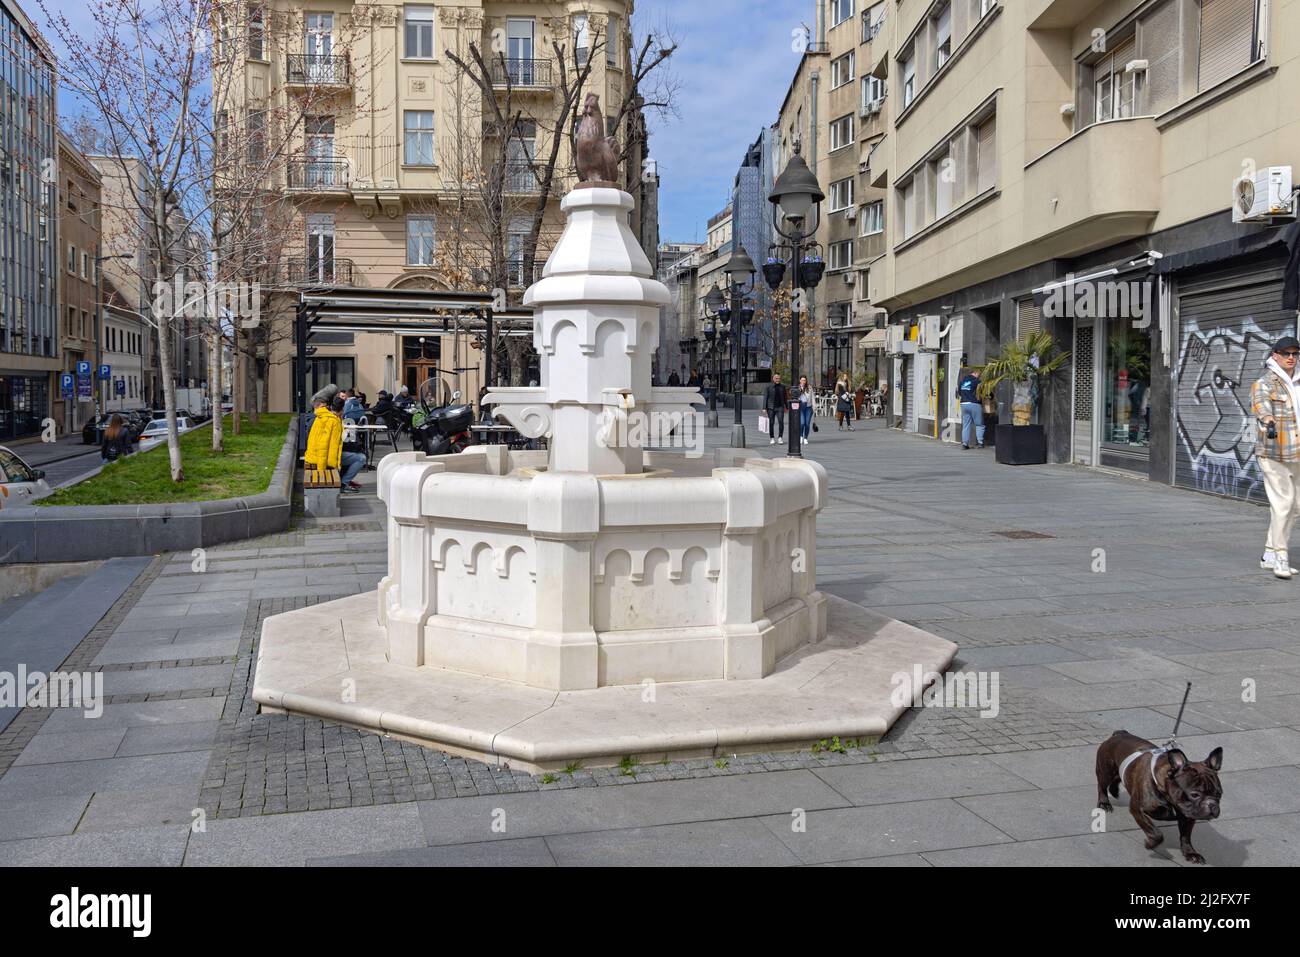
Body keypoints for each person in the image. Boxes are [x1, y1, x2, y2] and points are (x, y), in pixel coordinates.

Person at [1252, 335, 1300, 579]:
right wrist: (1268, 420)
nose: (1291, 358)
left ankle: (1269, 554)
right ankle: (1281, 557)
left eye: (1295, 354)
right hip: (1273, 452)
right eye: (1286, 353)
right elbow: (1261, 405)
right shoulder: (1265, 383)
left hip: (1297, 452)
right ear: (1275, 356)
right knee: (1283, 504)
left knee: (1295, 506)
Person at [956, 366, 986, 450]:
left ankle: (965, 444)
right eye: (979, 374)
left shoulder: (963, 381)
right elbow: (983, 391)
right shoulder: (977, 381)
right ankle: (980, 443)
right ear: (976, 373)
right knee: (979, 424)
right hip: (974, 404)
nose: (979, 376)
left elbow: (960, 393)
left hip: (964, 404)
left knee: (966, 425)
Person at [763, 373, 787, 445]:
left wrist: (787, 407)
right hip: (771, 407)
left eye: (779, 378)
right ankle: (772, 438)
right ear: (773, 378)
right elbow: (765, 397)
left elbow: (785, 397)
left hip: (780, 407)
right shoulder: (768, 387)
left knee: (781, 422)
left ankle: (780, 437)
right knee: (771, 423)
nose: (778, 380)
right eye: (776, 378)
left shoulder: (782, 387)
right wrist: (764, 408)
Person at [797, 375, 814, 445]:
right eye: (802, 380)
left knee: (807, 424)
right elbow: (795, 397)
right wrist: (800, 390)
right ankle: (801, 436)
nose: (803, 381)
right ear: (800, 381)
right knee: (802, 423)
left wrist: (814, 407)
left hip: (808, 407)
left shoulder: (809, 388)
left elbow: (812, 397)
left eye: (804, 380)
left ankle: (805, 438)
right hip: (801, 407)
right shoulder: (797, 388)